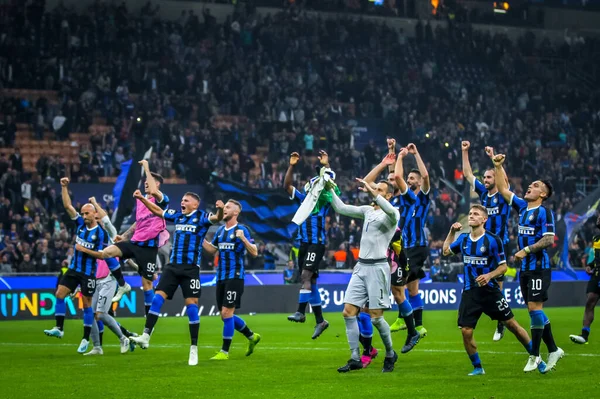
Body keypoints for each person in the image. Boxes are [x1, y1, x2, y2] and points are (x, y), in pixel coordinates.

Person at [127, 191, 223, 366]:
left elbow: (217, 218)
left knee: (191, 305)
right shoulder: (178, 216)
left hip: (190, 269)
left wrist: (221, 210)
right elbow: (157, 211)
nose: (182, 202)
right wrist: (141, 199)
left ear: (195, 204)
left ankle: (193, 348)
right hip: (172, 267)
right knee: (157, 298)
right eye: (182, 200)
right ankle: (146, 336)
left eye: (186, 200)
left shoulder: (202, 217)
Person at [442, 205, 534, 375]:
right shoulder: (463, 239)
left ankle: (535, 356)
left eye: (475, 214)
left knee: (512, 324)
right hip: (470, 292)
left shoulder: (493, 240)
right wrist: (451, 232)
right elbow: (446, 251)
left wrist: (490, 275)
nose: (471, 216)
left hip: (491, 291)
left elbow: (504, 267)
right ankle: (478, 367)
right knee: (466, 330)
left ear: (484, 219)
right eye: (470, 213)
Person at [493, 154, 563, 373]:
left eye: (536, 186)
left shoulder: (544, 212)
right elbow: (504, 190)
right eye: (531, 184)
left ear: (543, 194)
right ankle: (553, 349)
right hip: (525, 269)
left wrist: (527, 249)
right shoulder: (523, 207)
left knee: (534, 309)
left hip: (539, 268)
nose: (530, 187)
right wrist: (497, 166)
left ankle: (534, 355)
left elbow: (549, 239)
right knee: (534, 310)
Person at [329, 176, 400, 373]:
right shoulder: (368, 211)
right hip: (361, 267)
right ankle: (354, 357)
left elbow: (388, 209)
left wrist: (372, 191)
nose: (374, 190)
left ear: (389, 194)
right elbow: (341, 208)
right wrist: (329, 188)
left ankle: (390, 353)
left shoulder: (392, 214)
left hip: (378, 268)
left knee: (376, 318)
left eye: (379, 188)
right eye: (374, 187)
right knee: (348, 312)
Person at [43, 178, 118, 354]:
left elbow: (102, 255)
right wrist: (64, 187)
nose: (83, 216)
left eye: (86, 214)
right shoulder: (79, 225)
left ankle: (85, 339)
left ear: (94, 214)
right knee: (59, 294)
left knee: (86, 306)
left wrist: (83, 248)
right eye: (82, 214)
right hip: (74, 269)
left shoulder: (100, 233)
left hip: (88, 273)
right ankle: (59, 328)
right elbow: (68, 207)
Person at [92, 160, 169, 315]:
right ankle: (123, 285)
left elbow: (153, 192)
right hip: (134, 242)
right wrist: (125, 236)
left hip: (148, 247)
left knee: (147, 283)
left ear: (157, 185)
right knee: (107, 252)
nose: (146, 183)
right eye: (146, 181)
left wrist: (146, 167)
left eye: (150, 181)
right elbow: (138, 222)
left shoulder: (161, 199)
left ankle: (149, 320)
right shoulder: (140, 201)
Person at [362, 147, 420, 351]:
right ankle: (407, 333)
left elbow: (396, 175)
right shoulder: (382, 199)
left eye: (392, 179)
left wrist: (399, 157)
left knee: (398, 293)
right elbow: (366, 183)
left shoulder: (406, 198)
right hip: (380, 250)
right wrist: (383, 163)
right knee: (389, 296)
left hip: (396, 252)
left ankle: (413, 332)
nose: (392, 178)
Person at [462, 141, 515, 341]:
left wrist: (495, 162)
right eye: (484, 177)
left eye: (489, 176)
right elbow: (468, 175)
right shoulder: (483, 194)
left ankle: (501, 321)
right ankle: (482, 310)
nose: (485, 180)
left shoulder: (503, 194)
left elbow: (505, 181)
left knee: (497, 282)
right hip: (480, 243)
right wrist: (465, 151)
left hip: (498, 243)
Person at [203, 199, 261, 360]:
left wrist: (243, 238)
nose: (225, 210)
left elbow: (254, 251)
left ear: (236, 212)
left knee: (227, 312)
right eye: (225, 207)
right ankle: (251, 336)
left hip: (235, 277)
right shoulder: (220, 231)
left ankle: (224, 352)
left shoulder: (243, 230)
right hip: (220, 277)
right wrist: (199, 237)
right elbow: (211, 250)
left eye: (228, 208)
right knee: (224, 315)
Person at [284, 150, 331, 339]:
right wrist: (292, 166)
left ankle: (301, 312)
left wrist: (326, 165)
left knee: (305, 275)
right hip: (303, 244)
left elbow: (327, 182)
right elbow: (286, 185)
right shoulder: (302, 200)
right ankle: (320, 321)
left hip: (316, 244)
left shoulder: (324, 201)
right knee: (310, 281)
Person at [82, 197, 134, 355]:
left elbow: (107, 221)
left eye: (98, 218)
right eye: (94, 218)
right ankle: (97, 347)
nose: (97, 221)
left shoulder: (110, 236)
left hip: (108, 281)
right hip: (94, 280)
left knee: (101, 314)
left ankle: (123, 338)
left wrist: (96, 203)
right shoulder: (90, 238)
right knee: (90, 314)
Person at [391, 143, 430, 336]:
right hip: (406, 247)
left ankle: (401, 318)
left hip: (418, 246)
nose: (409, 180)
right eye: (408, 178)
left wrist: (416, 154)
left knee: (401, 282)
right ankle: (420, 325)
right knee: (413, 287)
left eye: (412, 178)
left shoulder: (422, 197)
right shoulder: (404, 199)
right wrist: (392, 152)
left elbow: (426, 177)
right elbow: (393, 178)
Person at [570, 213, 600, 344]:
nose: (598, 219)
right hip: (597, 274)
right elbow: (597, 258)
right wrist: (590, 265)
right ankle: (584, 335)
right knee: (590, 301)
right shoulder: (596, 238)